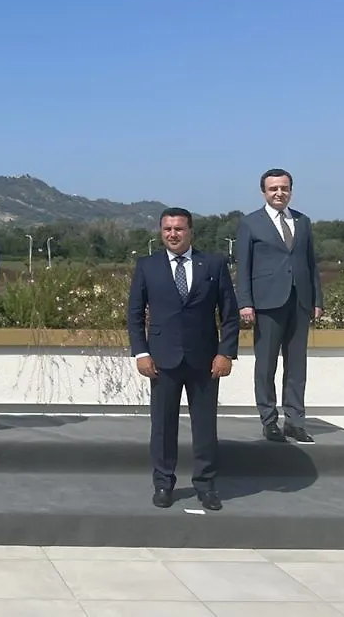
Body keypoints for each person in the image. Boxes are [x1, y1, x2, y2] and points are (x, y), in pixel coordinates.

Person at [128, 207, 239, 511]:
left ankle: (206, 485)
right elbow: (134, 314)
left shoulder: (213, 264)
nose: (173, 234)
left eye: (179, 229)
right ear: (161, 232)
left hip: (205, 361)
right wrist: (141, 352)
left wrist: (225, 352)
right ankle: (164, 484)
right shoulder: (147, 266)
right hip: (161, 361)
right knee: (163, 427)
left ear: (190, 231)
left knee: (205, 427)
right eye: (167, 229)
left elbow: (229, 314)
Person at [235, 168, 324, 444]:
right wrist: (245, 302)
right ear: (264, 191)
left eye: (284, 188)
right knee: (266, 365)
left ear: (291, 191)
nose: (279, 193)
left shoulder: (302, 221)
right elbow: (243, 267)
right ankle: (269, 420)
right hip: (267, 303)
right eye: (273, 188)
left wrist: (317, 300)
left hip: (300, 301)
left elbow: (311, 263)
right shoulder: (250, 223)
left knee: (297, 366)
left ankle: (295, 421)